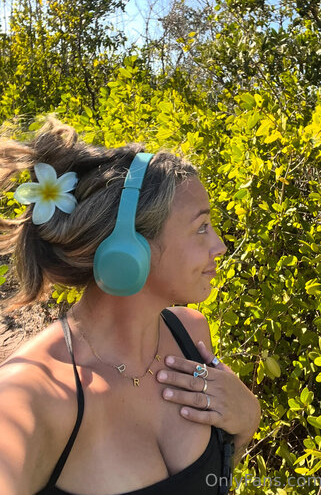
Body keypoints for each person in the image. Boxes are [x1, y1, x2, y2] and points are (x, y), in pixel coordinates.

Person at [0, 118, 261, 494]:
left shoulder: (191, 334)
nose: (219, 246)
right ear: (128, 247)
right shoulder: (30, 398)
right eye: (201, 227)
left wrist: (247, 420)